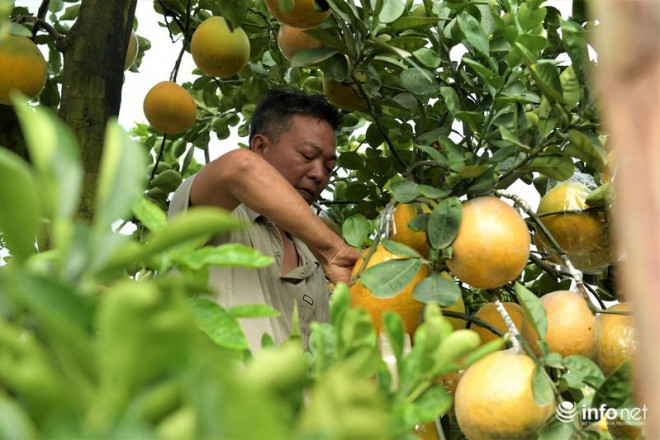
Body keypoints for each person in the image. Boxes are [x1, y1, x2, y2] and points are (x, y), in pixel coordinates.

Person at [168, 89, 359, 352]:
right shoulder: (213, 211)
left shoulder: (313, 263)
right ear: (260, 147)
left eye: (328, 167)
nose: (319, 174)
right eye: (306, 156)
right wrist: (334, 250)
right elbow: (239, 168)